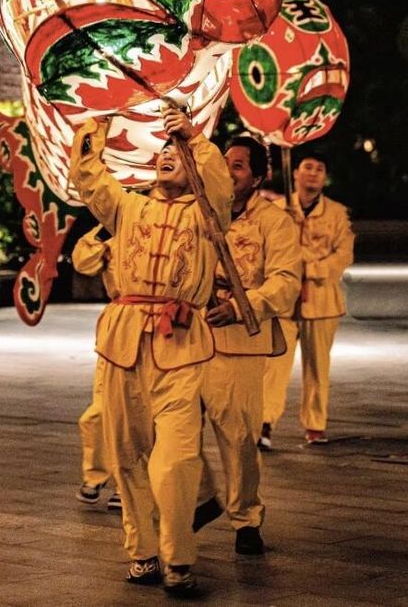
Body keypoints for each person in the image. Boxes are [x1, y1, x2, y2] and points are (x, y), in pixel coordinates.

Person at [69, 107, 233, 594]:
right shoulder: (128, 207)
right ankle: (141, 552)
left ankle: (179, 557)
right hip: (123, 342)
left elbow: (220, 184)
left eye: (175, 152)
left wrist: (195, 138)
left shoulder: (208, 212)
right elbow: (90, 179)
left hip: (180, 342)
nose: (166, 156)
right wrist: (93, 129)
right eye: (162, 151)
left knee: (178, 456)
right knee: (128, 454)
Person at [195, 136, 302, 555]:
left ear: (258, 177)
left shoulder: (274, 222)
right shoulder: (196, 210)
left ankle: (245, 517)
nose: (228, 170)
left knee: (238, 438)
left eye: (238, 166)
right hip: (186, 338)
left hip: (239, 343)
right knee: (171, 427)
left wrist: (242, 307)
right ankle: (202, 498)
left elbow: (285, 283)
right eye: (224, 162)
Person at [261, 151, 354, 448]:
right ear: (296, 173)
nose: (313, 173)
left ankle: (315, 424)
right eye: (308, 167)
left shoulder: (337, 213)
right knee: (273, 364)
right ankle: (264, 421)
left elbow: (343, 254)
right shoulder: (275, 209)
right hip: (284, 300)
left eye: (319, 168)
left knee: (317, 366)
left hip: (321, 299)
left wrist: (310, 269)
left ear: (324, 177)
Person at [72, 225, 121, 510]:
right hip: (118, 329)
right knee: (99, 411)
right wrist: (105, 231)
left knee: (142, 415)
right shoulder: (116, 219)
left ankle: (128, 488)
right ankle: (97, 473)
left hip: (164, 331)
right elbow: (84, 262)